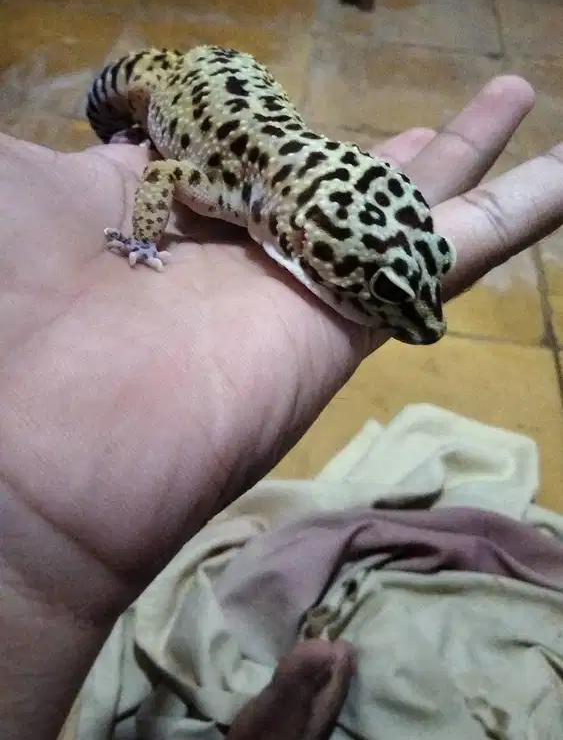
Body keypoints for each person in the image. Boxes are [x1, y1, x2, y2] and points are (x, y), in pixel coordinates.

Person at [2, 74, 563, 740]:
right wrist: (144, 240)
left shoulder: (294, 194)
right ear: (297, 234)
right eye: (381, 289)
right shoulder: (224, 191)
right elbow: (158, 180)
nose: (420, 324)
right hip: (177, 86)